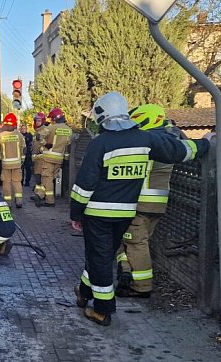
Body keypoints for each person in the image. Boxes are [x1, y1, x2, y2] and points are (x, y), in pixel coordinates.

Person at [70, 92, 211, 326]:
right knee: (101, 256)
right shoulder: (145, 139)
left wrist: (76, 213)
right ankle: (84, 293)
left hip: (97, 214)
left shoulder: (100, 144)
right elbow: (178, 151)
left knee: (100, 258)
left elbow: (84, 185)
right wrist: (206, 143)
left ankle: (102, 310)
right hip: (125, 214)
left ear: (102, 115)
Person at [115, 104, 185, 298]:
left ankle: (142, 287)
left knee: (136, 243)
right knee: (131, 241)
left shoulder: (148, 142)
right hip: (157, 204)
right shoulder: (171, 139)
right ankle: (127, 272)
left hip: (139, 203)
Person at [33, 108, 72, 207]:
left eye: (52, 119)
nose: (51, 121)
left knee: (47, 178)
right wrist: (66, 159)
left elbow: (38, 136)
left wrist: (45, 144)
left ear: (55, 118)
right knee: (49, 179)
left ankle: (49, 201)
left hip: (48, 157)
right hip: (59, 158)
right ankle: (40, 195)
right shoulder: (69, 130)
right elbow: (68, 146)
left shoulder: (51, 128)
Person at [0, 113, 26, 208]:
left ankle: (8, 203)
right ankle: (19, 201)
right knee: (17, 182)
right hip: (17, 164)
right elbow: (24, 149)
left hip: (5, 164)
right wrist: (22, 161)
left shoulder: (1, 136)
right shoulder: (20, 135)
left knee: (6, 183)